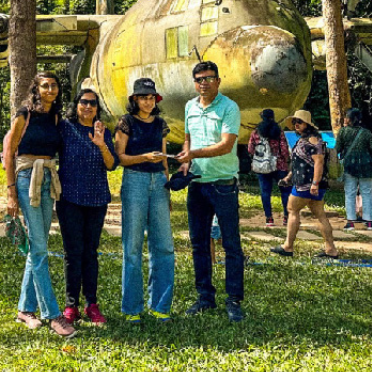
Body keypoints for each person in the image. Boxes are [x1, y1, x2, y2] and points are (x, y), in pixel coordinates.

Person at [3, 71, 75, 338]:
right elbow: (9, 152)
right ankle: (53, 315)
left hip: (48, 179)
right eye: (45, 85)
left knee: (38, 246)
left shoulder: (55, 117)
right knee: (41, 249)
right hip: (26, 178)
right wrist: (11, 193)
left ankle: (24, 310)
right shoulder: (24, 115)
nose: (51, 89)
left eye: (54, 85)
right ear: (36, 88)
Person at [177, 61, 245, 323]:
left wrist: (193, 153)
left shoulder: (229, 107)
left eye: (208, 78)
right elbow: (187, 138)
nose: (203, 83)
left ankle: (234, 300)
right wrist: (186, 160)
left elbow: (227, 145)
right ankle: (205, 297)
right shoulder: (189, 107)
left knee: (231, 244)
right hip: (196, 183)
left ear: (218, 81)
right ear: (194, 82)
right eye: (199, 79)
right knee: (199, 244)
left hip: (223, 183)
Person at [114, 78, 174, 323]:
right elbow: (120, 158)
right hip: (135, 181)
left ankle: (160, 306)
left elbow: (164, 159)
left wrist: (167, 186)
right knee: (133, 247)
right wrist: (144, 158)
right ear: (134, 100)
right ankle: (132, 308)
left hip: (158, 182)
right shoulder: (126, 123)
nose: (148, 101)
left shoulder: (160, 123)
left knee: (164, 246)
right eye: (143, 97)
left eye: (151, 98)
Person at [57, 88, 118, 325]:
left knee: (90, 253)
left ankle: (91, 304)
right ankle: (71, 305)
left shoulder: (103, 131)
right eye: (84, 102)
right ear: (77, 104)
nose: (88, 106)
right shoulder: (64, 128)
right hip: (69, 198)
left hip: (97, 199)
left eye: (93, 103)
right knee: (73, 253)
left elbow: (112, 164)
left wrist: (102, 144)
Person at [271, 110, 339, 259]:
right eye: (295, 122)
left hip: (307, 185)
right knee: (320, 215)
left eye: (299, 122)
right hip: (308, 183)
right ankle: (330, 249)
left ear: (307, 124)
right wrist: (289, 177)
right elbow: (298, 164)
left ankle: (288, 246)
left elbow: (319, 163)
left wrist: (314, 183)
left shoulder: (313, 140)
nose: (296, 124)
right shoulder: (305, 139)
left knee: (292, 209)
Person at [336, 108, 372, 231]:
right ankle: (370, 222)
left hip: (350, 166)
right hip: (367, 167)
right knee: (367, 193)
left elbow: (337, 148)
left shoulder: (343, 132)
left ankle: (350, 222)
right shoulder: (366, 133)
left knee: (350, 193)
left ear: (348, 119)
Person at [247, 109, 290, 227]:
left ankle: (269, 219)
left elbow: (250, 149)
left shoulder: (256, 132)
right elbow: (284, 148)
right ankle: (286, 217)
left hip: (262, 166)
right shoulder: (278, 131)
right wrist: (286, 160)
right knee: (285, 191)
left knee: (265, 192)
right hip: (279, 165)